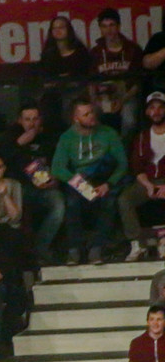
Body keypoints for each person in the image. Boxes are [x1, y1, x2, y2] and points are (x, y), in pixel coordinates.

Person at [50, 99, 129, 265]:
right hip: (79, 179)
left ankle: (97, 248)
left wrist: (109, 183)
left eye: (92, 112)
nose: (91, 116)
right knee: (71, 203)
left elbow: (122, 164)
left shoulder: (108, 133)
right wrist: (80, 185)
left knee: (109, 202)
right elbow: (57, 168)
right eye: (86, 114)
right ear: (76, 118)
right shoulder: (67, 137)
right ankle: (74, 249)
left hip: (103, 178)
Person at [0, 103, 64, 265]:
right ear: (20, 120)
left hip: (46, 187)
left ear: (41, 119)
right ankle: (24, 254)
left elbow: (59, 163)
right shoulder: (10, 137)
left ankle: (40, 247)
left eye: (35, 119)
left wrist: (55, 179)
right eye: (27, 119)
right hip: (19, 187)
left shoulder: (49, 137)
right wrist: (18, 144)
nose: (32, 123)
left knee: (59, 205)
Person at [120, 92, 165, 261]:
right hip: (148, 181)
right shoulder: (141, 137)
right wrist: (148, 185)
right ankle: (137, 243)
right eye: (152, 108)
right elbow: (137, 167)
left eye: (160, 107)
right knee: (125, 199)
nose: (156, 112)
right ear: (147, 112)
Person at [89, 7, 144, 138]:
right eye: (104, 26)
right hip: (102, 97)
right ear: (100, 29)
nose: (108, 30)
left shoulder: (133, 49)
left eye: (112, 25)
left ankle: (123, 148)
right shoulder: (95, 52)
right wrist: (95, 100)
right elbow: (90, 81)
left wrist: (123, 99)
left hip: (127, 95)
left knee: (129, 121)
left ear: (118, 26)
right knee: (89, 117)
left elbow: (139, 82)